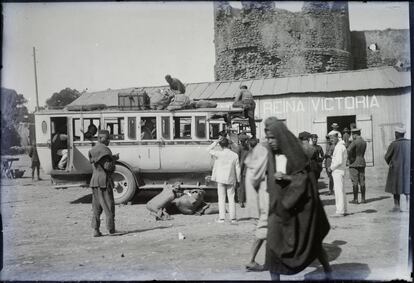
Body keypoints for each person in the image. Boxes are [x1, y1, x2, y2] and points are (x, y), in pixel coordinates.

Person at [263, 117, 332, 281]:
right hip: (280, 208)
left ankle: (328, 272)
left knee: (312, 242)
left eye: (273, 137)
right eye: (268, 138)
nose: (270, 141)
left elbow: (305, 180)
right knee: (272, 245)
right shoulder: (272, 154)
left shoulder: (296, 152)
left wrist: (286, 178)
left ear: (280, 136)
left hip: (301, 208)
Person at [244, 137, 271, 272]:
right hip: (263, 205)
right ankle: (252, 260)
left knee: (263, 233)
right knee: (263, 232)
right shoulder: (260, 171)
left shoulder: (252, 167)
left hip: (258, 206)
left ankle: (253, 260)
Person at [88, 130, 120, 237]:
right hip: (104, 181)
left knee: (96, 207)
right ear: (101, 138)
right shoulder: (104, 150)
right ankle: (111, 229)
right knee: (109, 205)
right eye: (107, 138)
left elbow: (97, 163)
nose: (109, 140)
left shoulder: (93, 149)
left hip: (94, 181)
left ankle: (95, 230)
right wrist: (114, 161)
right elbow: (107, 166)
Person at [207, 136, 241, 224]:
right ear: (228, 145)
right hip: (231, 178)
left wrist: (216, 142)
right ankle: (233, 219)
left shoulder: (218, 153)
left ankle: (222, 218)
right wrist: (238, 180)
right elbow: (238, 169)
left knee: (221, 198)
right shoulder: (235, 155)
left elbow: (208, 149)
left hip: (220, 178)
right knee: (231, 198)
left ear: (221, 145)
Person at [384, 126, 410, 212]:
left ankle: (397, 206)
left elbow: (387, 157)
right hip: (407, 169)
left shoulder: (393, 144)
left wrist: (390, 163)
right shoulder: (409, 143)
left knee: (395, 187)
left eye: (395, 133)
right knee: (408, 186)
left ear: (397, 134)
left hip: (396, 170)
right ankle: (408, 205)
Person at [328, 133, 348, 217]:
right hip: (340, 171)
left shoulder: (339, 147)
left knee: (338, 192)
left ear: (337, 137)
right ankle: (344, 210)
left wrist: (331, 168)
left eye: (332, 138)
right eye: (330, 139)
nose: (331, 140)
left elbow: (339, 161)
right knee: (341, 191)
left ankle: (340, 211)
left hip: (338, 171)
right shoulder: (340, 146)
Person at [347, 128, 367, 204]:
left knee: (354, 181)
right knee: (362, 181)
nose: (352, 136)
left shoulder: (354, 142)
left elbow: (348, 150)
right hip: (362, 162)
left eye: (352, 134)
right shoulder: (364, 142)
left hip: (354, 163)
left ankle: (355, 199)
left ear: (354, 134)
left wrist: (350, 158)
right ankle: (363, 199)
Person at [237, 132, 250, 208]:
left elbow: (238, 160)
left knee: (240, 186)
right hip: (247, 169)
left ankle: (241, 201)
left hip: (241, 169)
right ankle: (244, 200)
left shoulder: (239, 148)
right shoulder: (248, 148)